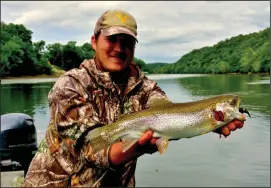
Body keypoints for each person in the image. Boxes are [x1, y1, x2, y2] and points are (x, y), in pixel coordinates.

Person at [22, 9, 245, 187]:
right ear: (94, 41)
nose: (119, 49)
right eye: (112, 39)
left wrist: (207, 124)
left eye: (127, 42)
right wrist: (138, 147)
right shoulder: (69, 86)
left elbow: (170, 122)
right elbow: (90, 151)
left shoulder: (147, 89)